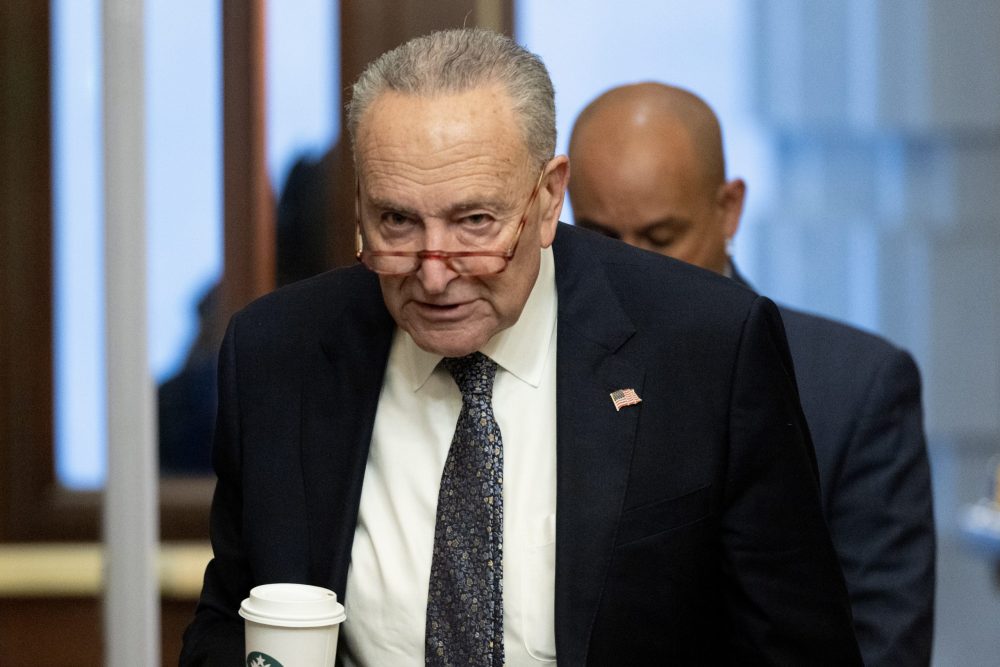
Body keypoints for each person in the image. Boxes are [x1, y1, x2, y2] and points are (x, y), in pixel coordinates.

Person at [180, 30, 862, 665]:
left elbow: (799, 646)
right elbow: (229, 624)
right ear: (359, 205)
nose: (435, 271)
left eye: (475, 221)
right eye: (396, 221)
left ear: (547, 198)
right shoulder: (279, 354)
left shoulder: (708, 348)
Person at [568, 81, 935, 667]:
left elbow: (881, 643)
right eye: (600, 238)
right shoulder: (546, 377)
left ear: (729, 209)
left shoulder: (852, 386)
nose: (630, 267)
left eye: (661, 239)